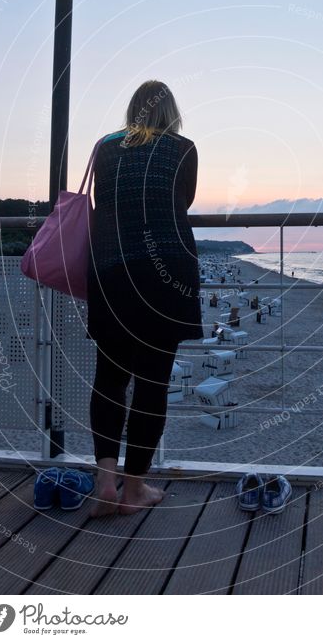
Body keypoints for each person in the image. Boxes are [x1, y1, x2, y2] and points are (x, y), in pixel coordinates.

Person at [86, 80, 203, 516]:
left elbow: (106, 202)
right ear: (171, 112)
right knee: (152, 383)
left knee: (110, 377)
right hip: (165, 273)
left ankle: (104, 482)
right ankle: (134, 489)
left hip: (112, 268)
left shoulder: (106, 148)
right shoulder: (183, 148)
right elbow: (182, 202)